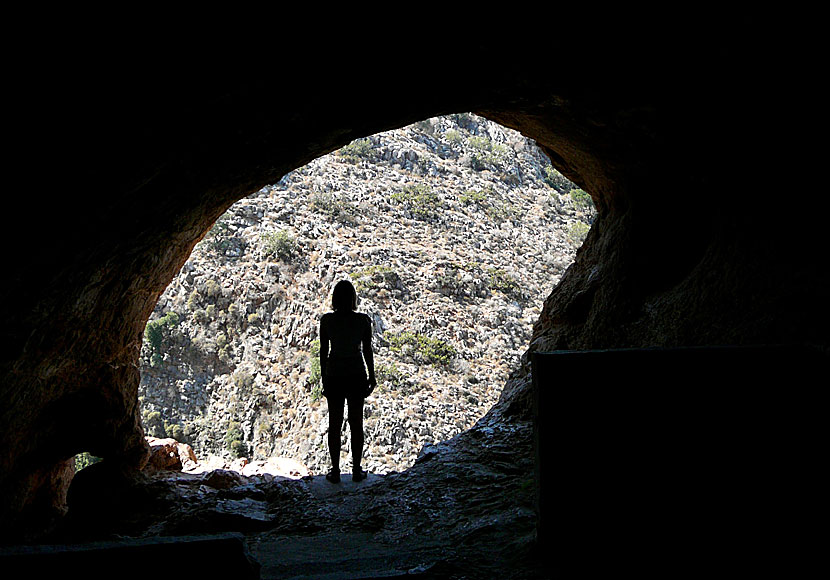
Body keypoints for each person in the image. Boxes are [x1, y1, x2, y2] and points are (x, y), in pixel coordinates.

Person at [319, 279, 377, 483]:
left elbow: (323, 352)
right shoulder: (363, 320)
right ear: (353, 298)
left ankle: (335, 471)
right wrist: (372, 376)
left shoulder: (327, 321)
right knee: (356, 423)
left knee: (334, 424)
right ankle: (356, 470)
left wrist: (324, 378)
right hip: (355, 374)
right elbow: (367, 350)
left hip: (334, 374)